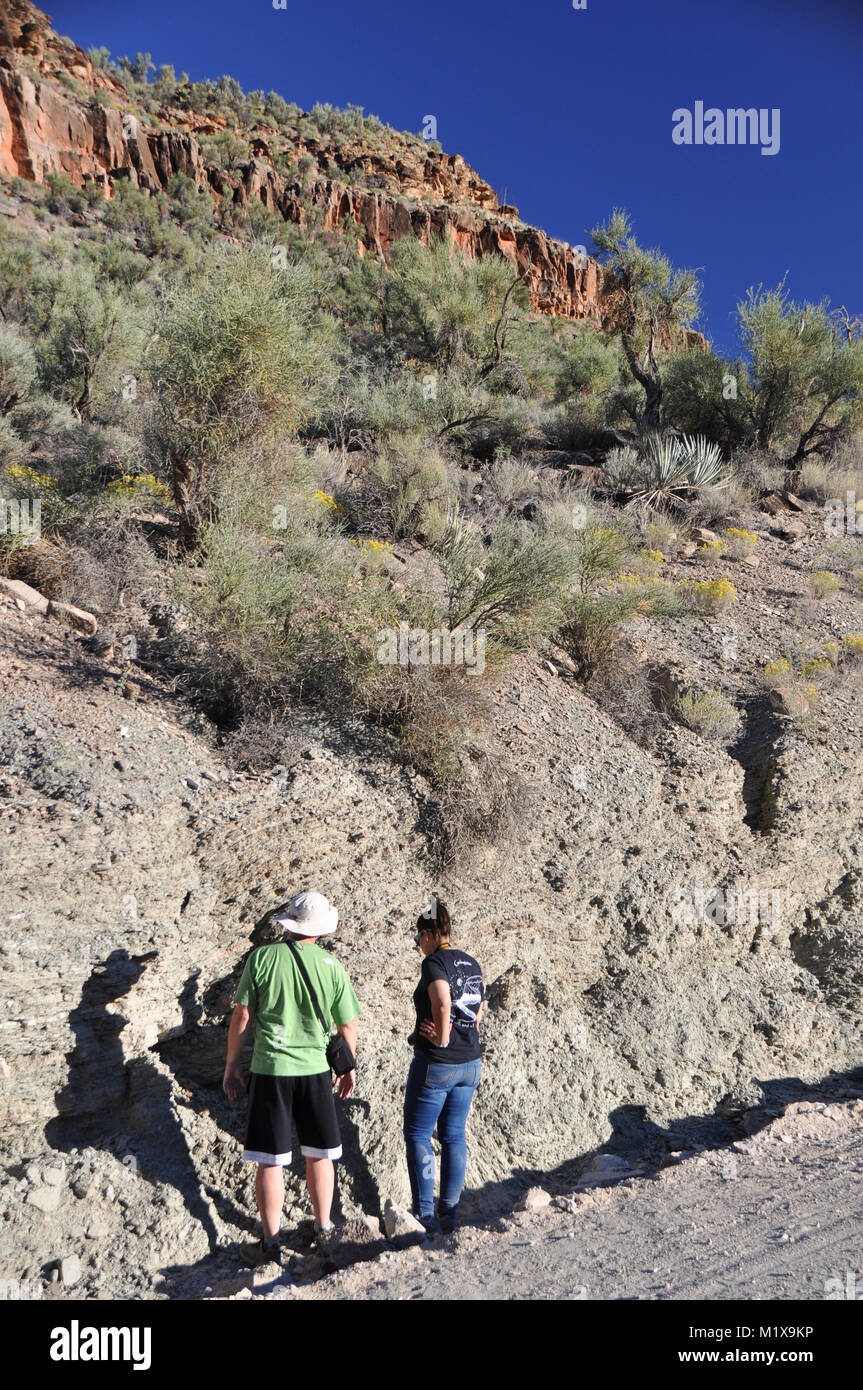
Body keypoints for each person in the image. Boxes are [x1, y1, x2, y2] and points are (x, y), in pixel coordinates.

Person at [223, 890, 360, 1265]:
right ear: (319, 930)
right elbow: (347, 1025)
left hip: (271, 1070)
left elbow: (242, 1017)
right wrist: (348, 1068)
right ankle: (324, 1229)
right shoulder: (332, 966)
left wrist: (232, 1063)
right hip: (315, 1071)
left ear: (291, 924)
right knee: (319, 1154)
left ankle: (270, 1244)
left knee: (271, 1160)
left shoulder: (263, 958)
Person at [404, 897, 484, 1235]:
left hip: (438, 1064)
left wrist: (442, 1037)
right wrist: (457, 1032)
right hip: (471, 1063)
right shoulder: (471, 962)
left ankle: (424, 1216)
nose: (419, 946)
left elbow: (441, 999)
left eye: (417, 939)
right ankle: (449, 1215)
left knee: (418, 1134)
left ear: (427, 934)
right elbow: (477, 1011)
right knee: (454, 1137)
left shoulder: (434, 963)